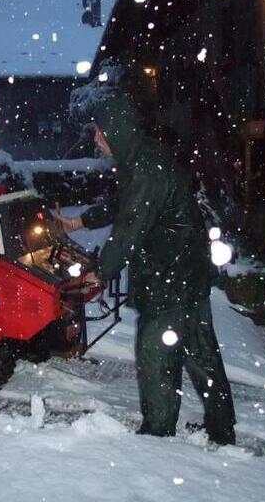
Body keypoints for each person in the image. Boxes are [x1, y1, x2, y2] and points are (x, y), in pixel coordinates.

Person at [85, 90, 236, 445]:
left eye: (99, 131)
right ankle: (222, 429)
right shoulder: (143, 158)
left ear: (116, 131)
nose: (95, 138)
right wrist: (82, 223)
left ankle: (157, 435)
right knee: (201, 354)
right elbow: (123, 207)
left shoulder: (145, 168)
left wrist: (101, 270)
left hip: (170, 277)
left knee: (155, 355)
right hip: (187, 274)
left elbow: (130, 226)